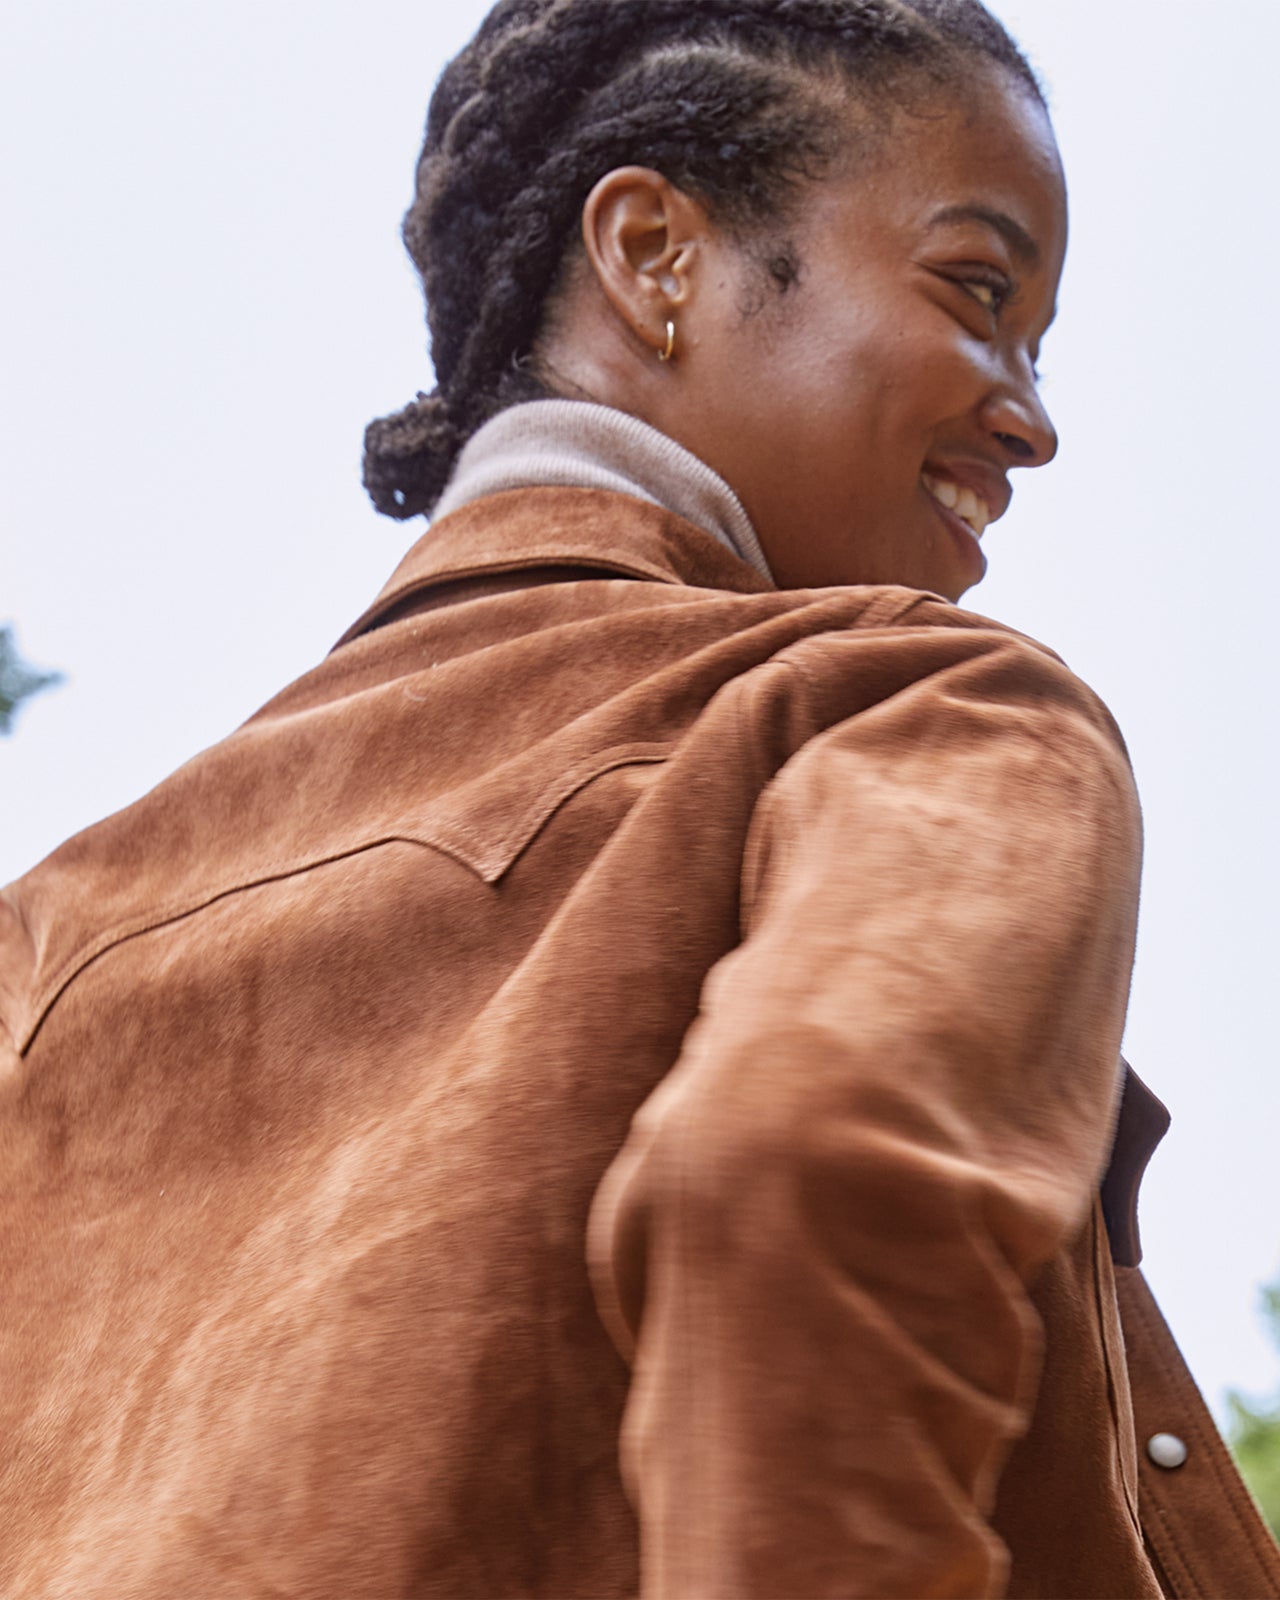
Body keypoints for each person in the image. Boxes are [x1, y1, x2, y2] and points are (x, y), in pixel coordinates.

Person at [0, 0, 1276, 1595]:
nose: (1032, 418)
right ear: (655, 254)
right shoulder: (920, 709)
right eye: (976, 291)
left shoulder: (48, 933)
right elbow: (807, 1198)